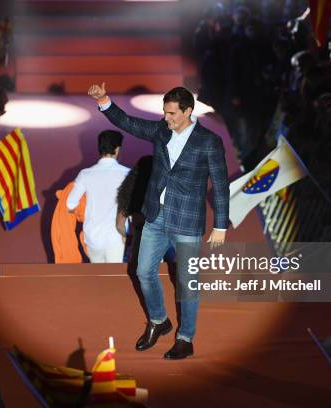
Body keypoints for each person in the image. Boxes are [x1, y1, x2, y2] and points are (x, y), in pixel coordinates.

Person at [88, 83, 229, 359]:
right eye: (165, 112)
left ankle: (186, 338)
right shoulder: (161, 131)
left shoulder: (209, 141)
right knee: (144, 272)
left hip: (187, 220)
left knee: (188, 283)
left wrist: (221, 225)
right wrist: (104, 100)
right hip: (156, 215)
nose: (167, 118)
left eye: (173, 114)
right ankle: (159, 321)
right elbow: (129, 123)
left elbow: (221, 185)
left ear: (188, 111)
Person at [66, 130, 130, 263]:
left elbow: (70, 203)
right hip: (116, 236)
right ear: (117, 149)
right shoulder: (127, 174)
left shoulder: (85, 174)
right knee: (114, 279)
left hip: (93, 236)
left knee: (98, 279)